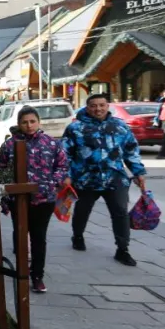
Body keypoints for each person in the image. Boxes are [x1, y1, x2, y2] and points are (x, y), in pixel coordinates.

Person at [63, 93, 147, 267]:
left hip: (115, 179)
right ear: (87, 108)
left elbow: (131, 150)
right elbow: (65, 154)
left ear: (107, 106)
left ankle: (122, 249)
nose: (98, 109)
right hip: (86, 179)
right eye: (94, 106)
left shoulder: (120, 126)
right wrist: (67, 175)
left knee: (120, 213)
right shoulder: (75, 128)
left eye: (102, 105)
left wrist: (138, 172)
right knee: (82, 211)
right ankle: (78, 236)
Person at [0, 107, 70, 293]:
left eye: (32, 121)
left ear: (38, 122)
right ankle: (21, 272)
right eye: (24, 122)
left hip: (44, 199)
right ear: (19, 124)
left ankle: (37, 275)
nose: (29, 126)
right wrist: (6, 192)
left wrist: (52, 182)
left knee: (39, 238)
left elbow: (62, 165)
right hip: (18, 199)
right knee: (20, 236)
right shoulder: (10, 145)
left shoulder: (51, 144)